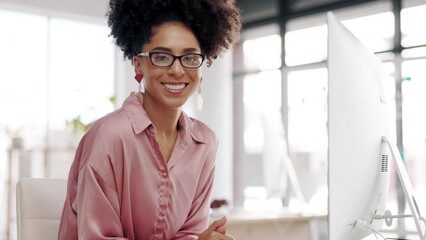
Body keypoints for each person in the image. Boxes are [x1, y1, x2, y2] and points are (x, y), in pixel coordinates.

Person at [58, 0, 241, 239]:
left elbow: (189, 232)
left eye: (189, 57)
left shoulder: (205, 143)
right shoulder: (109, 136)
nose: (177, 70)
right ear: (138, 64)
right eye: (162, 57)